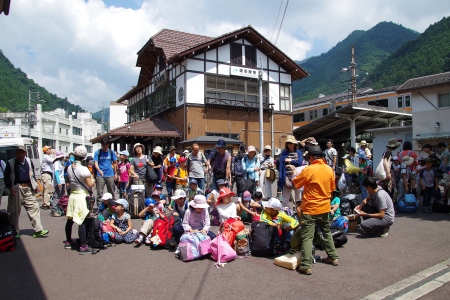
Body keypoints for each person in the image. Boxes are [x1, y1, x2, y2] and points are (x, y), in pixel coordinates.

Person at [292, 145, 338, 276]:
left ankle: (306, 265)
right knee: (327, 232)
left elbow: (296, 183)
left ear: (311, 157)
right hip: (324, 206)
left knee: (307, 236)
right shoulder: (329, 170)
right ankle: (333, 256)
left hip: (310, 208)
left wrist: (294, 172)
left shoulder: (309, 169)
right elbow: (332, 188)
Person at [4, 145, 49, 239]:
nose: (19, 155)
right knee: (14, 211)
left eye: (21, 152)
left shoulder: (29, 161)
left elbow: (31, 174)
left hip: (28, 187)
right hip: (16, 188)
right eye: (18, 152)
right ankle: (14, 231)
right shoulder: (10, 162)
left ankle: (38, 230)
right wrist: (10, 187)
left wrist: (35, 185)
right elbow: (7, 177)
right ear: (15, 153)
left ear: (25, 153)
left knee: (34, 207)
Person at [64, 146, 94, 253]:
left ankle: (68, 241)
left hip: (73, 195)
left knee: (70, 219)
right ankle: (83, 245)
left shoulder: (69, 167)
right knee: (82, 220)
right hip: (81, 196)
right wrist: (92, 178)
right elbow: (90, 184)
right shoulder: (83, 169)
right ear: (84, 157)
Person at [277, 135, 303, 208]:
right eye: (288, 143)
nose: (289, 145)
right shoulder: (284, 153)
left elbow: (300, 163)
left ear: (294, 144)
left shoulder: (298, 152)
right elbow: (281, 165)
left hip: (297, 177)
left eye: (291, 143)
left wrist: (291, 160)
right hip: (287, 177)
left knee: (298, 199)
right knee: (285, 199)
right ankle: (286, 213)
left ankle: (298, 213)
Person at [93, 138, 118, 203]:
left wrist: (115, 173)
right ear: (101, 145)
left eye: (106, 145)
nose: (105, 147)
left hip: (110, 174)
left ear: (108, 145)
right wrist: (99, 170)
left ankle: (112, 206)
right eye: (103, 145)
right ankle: (99, 207)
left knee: (111, 191)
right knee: (99, 193)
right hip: (100, 175)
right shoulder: (98, 152)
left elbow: (115, 163)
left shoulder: (111, 152)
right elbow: (95, 163)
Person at [51, 150, 66, 217]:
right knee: (57, 196)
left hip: (62, 181)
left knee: (61, 196)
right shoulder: (57, 163)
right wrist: (59, 182)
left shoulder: (60, 162)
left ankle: (59, 209)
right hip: (59, 182)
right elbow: (56, 172)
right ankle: (54, 210)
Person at [40, 145, 55, 209]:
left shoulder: (46, 157)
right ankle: (46, 204)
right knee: (47, 189)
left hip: (47, 174)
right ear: (46, 151)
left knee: (46, 189)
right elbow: (54, 160)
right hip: (46, 174)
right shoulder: (46, 157)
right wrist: (55, 155)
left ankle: (45, 202)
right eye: (49, 149)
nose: (51, 150)